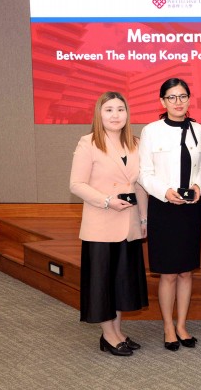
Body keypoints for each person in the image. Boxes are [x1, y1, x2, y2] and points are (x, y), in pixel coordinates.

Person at [70, 91, 149, 356]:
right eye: (109, 110)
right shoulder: (88, 142)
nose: (115, 115)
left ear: (127, 114)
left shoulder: (136, 143)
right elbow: (76, 184)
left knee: (120, 281)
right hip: (101, 224)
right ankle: (108, 335)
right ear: (99, 114)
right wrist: (106, 201)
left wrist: (144, 219)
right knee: (103, 283)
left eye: (120, 110)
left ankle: (118, 331)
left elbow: (139, 186)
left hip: (128, 225)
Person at [138, 78, 201, 351]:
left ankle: (182, 324)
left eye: (182, 96)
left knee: (186, 273)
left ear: (189, 99)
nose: (178, 102)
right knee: (168, 274)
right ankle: (168, 326)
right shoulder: (151, 131)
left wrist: (197, 186)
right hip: (163, 208)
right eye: (171, 97)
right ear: (162, 101)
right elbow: (144, 173)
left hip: (190, 210)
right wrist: (165, 191)